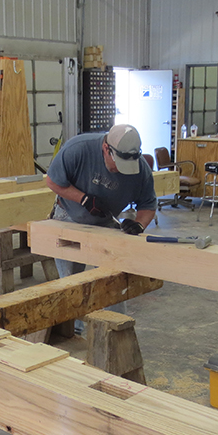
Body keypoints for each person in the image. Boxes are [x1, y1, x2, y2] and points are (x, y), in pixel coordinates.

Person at [44, 124, 157, 333]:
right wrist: (84, 199)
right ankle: (74, 331)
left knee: (113, 280)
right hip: (69, 218)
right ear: (106, 149)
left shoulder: (140, 169)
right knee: (73, 282)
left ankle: (116, 329)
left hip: (107, 223)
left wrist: (139, 223)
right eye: (118, 163)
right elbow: (52, 181)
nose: (120, 170)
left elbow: (148, 205)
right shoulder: (78, 149)